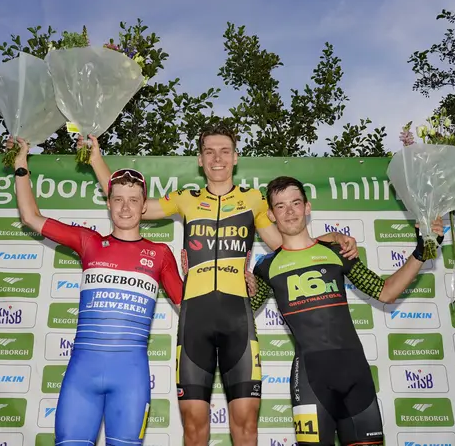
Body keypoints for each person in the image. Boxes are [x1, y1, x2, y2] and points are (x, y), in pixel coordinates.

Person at [81, 124, 360, 446]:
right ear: (200, 160)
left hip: (238, 322)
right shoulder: (186, 199)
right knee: (194, 428)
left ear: (235, 157)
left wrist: (332, 238)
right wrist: (96, 159)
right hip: (194, 322)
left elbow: (288, 243)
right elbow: (129, 203)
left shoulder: (253, 200)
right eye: (210, 152)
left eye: (225, 151)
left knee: (246, 426)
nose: (217, 158)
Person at [7, 136, 184, 446]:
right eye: (118, 199)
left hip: (130, 380)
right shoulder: (89, 242)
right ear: (108, 203)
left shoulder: (160, 254)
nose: (125, 207)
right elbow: (31, 217)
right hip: (81, 377)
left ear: (144, 206)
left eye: (133, 200)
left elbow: (190, 308)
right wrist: (21, 164)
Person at [246, 176, 445, 446]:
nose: (289, 211)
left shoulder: (337, 252)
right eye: (280, 206)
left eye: (295, 203)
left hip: (355, 376)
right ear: (271, 215)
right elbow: (241, 315)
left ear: (307, 207)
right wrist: (234, 284)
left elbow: (386, 292)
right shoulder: (266, 267)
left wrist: (423, 250)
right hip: (310, 381)